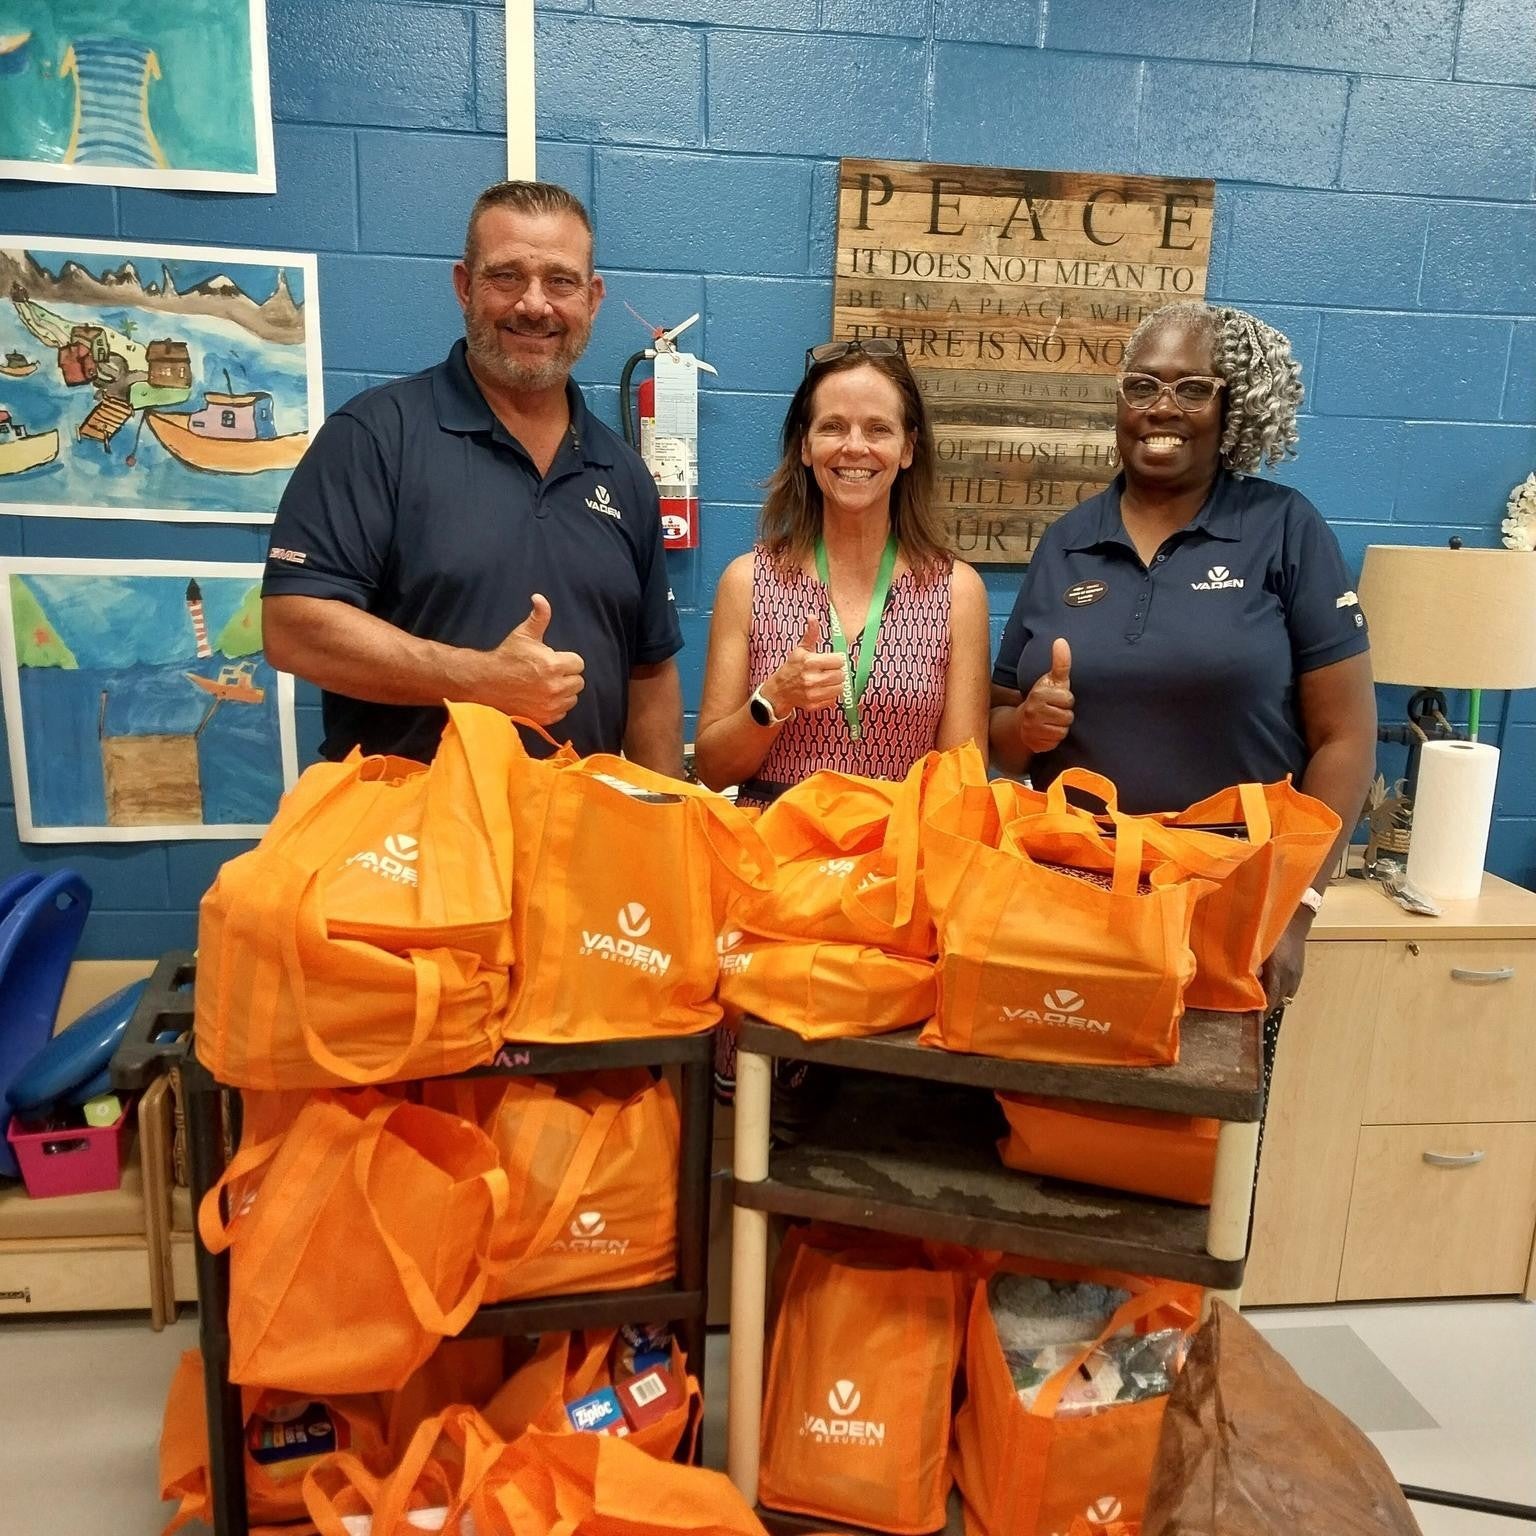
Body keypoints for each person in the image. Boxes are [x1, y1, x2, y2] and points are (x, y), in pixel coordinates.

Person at [988, 301, 1375, 1064]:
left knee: (1200, 1159)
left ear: (1231, 406)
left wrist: (1300, 906)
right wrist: (1027, 724)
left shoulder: (1284, 529)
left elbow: (1346, 736)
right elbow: (1001, 736)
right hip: (1078, 895)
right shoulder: (1068, 542)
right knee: (1058, 1124)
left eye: (1192, 388)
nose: (1162, 408)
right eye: (1143, 386)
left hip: (1227, 907)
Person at [261, 181, 683, 772]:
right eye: (506, 276)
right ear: (464, 286)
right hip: (407, 841)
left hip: (576, 837)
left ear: (592, 298)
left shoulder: (625, 473)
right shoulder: (377, 435)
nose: (535, 305)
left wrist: (660, 823)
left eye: (560, 281)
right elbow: (293, 627)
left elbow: (651, 671)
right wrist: (478, 679)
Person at [693, 338, 990, 803]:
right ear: (806, 446)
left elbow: (964, 786)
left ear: (907, 448)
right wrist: (773, 699)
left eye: (877, 429)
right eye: (833, 426)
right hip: (773, 857)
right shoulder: (748, 582)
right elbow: (711, 770)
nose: (855, 447)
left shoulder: (956, 591)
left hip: (895, 856)